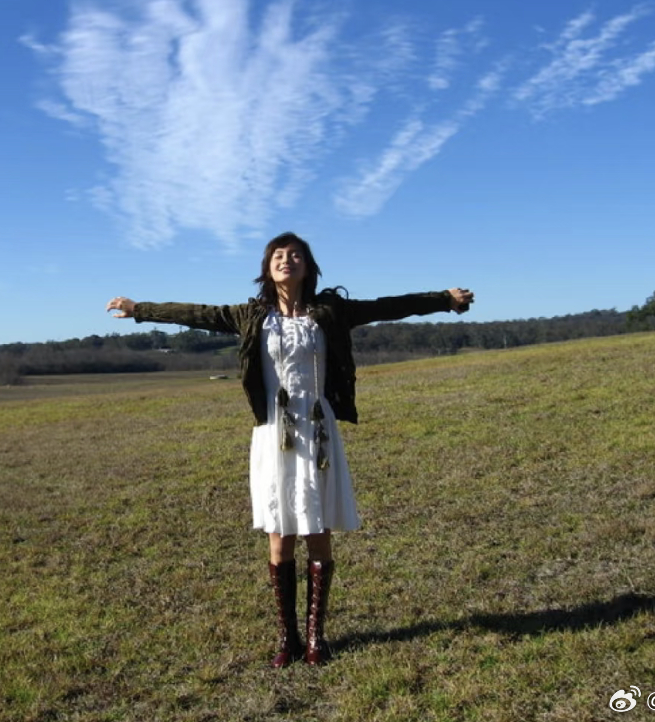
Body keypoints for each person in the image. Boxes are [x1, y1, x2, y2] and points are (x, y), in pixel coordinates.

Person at [106, 232, 473, 667]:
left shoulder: (330, 312)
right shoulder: (250, 316)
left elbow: (388, 307)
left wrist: (443, 300)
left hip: (318, 429)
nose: (287, 260)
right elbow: (196, 314)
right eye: (278, 255)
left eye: (295, 255)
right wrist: (140, 310)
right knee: (280, 533)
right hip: (274, 432)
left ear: (308, 266)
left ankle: (316, 638)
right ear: (267, 268)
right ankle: (288, 638)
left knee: (318, 529)